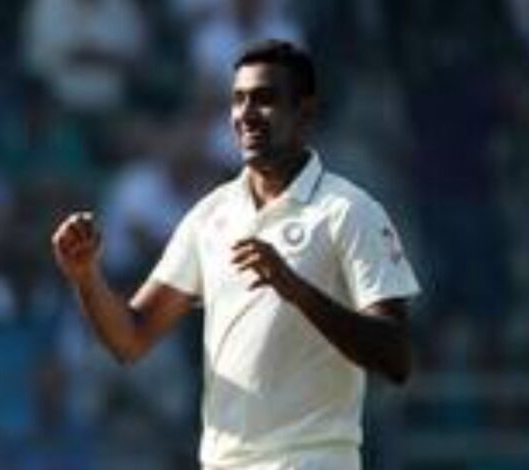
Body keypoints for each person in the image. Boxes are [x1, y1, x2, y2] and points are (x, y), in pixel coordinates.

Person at [51, 39, 421, 470]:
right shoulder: (211, 216)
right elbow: (130, 339)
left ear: (304, 112)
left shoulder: (349, 212)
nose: (246, 113)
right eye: (239, 99)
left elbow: (395, 357)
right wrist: (86, 277)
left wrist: (296, 290)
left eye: (264, 99)